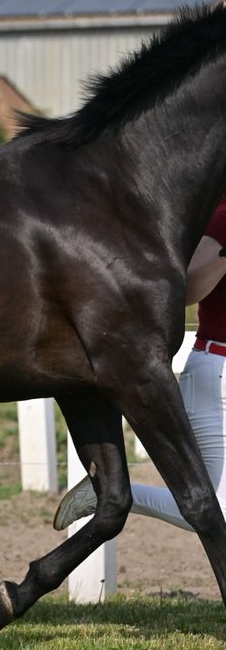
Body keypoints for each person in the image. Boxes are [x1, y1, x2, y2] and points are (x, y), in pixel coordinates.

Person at [55, 196, 226, 531]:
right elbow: (187, 287)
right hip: (218, 375)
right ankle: (110, 495)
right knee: (220, 512)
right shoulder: (222, 217)